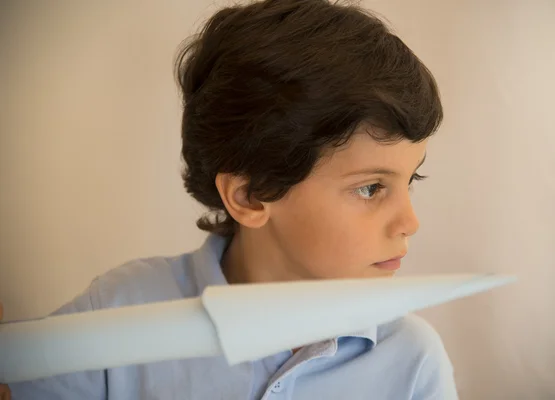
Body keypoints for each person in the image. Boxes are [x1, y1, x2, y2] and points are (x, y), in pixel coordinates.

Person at [2, 0, 459, 398]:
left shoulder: (413, 361)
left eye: (410, 180)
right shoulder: (121, 309)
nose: (409, 221)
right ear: (251, 195)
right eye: (371, 188)